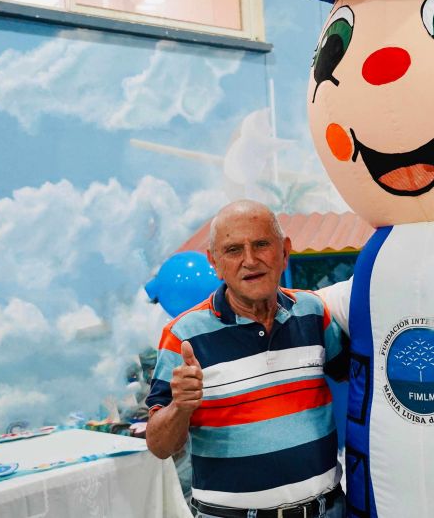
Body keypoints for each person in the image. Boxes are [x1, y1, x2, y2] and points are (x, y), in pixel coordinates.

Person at [146, 200, 347, 518]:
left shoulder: (313, 313)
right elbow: (159, 446)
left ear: (285, 251)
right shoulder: (182, 335)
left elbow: (360, 381)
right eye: (233, 250)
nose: (250, 260)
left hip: (327, 511)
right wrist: (179, 407)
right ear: (215, 262)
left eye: (261, 244)